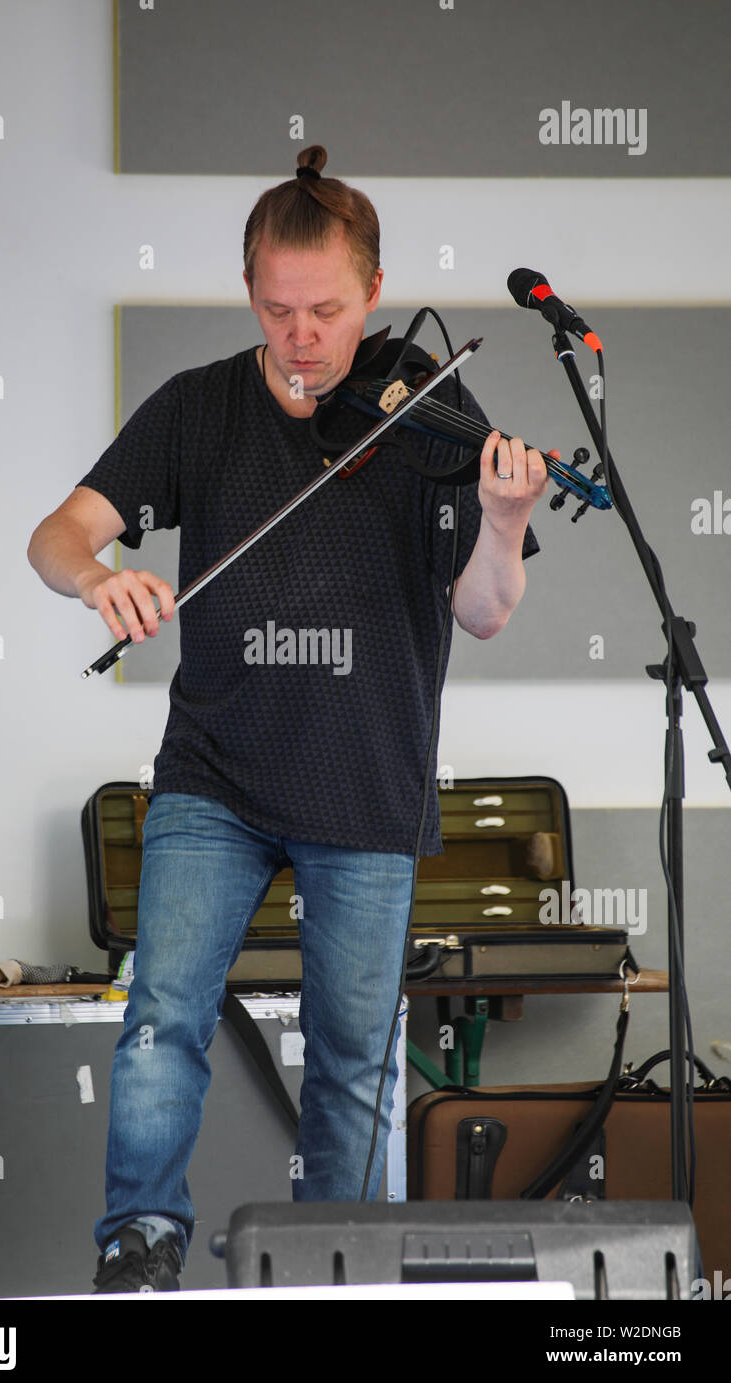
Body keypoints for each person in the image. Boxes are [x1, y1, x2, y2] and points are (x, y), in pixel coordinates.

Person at [27, 145, 555, 1293]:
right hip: (211, 774)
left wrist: (504, 518)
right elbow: (56, 533)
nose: (302, 336)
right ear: (250, 295)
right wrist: (97, 575)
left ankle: (336, 1271)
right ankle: (142, 1248)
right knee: (163, 1016)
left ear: (372, 293)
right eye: (276, 310)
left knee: (355, 1061)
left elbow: (480, 613)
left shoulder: (429, 414)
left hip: (362, 779)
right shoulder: (200, 405)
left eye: (324, 309)